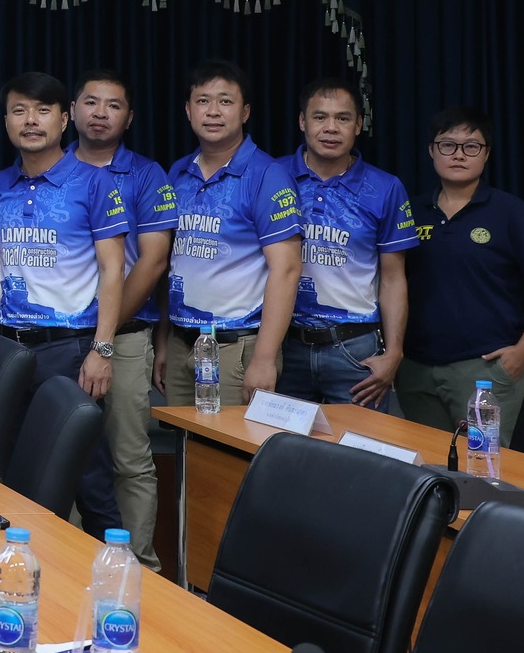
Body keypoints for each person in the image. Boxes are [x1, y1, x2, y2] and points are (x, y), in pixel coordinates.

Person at [0, 72, 129, 538]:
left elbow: (113, 269)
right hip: (10, 352)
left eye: (43, 111)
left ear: (64, 120)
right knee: (12, 475)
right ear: (6, 121)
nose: (31, 120)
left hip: (69, 351)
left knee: (89, 477)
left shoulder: (94, 183)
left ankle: (116, 575)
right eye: (20, 111)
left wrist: (102, 350)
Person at [398, 106, 524, 445]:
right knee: (425, 466)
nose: (459, 154)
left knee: (485, 468)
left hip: (486, 374)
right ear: (431, 150)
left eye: (471, 146)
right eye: (448, 145)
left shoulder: (511, 213)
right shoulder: (410, 212)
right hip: (415, 369)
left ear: (486, 154)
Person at [68, 70, 177, 572]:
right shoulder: (51, 171)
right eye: (91, 102)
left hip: (124, 339)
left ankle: (139, 572)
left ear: (129, 118)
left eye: (113, 105)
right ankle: (72, 564)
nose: (100, 113)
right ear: (71, 111)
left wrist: (102, 331)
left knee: (129, 459)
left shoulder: (148, 175)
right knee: (67, 454)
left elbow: (153, 262)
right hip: (63, 341)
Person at [159, 60, 302, 405]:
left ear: (245, 112)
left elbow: (287, 269)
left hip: (237, 346)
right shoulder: (178, 172)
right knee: (183, 439)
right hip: (180, 343)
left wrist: (264, 359)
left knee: (233, 442)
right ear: (188, 111)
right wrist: (163, 341)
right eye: (203, 101)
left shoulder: (267, 175)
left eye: (225, 101)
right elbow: (170, 264)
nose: (213, 111)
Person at [279, 78, 416, 413]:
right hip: (284, 345)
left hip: (355, 349)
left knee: (360, 445)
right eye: (320, 117)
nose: (331, 128)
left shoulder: (386, 187)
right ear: (302, 121)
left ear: (358, 125)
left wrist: (394, 353)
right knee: (278, 445)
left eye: (342, 118)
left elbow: (393, 277)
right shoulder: (272, 176)